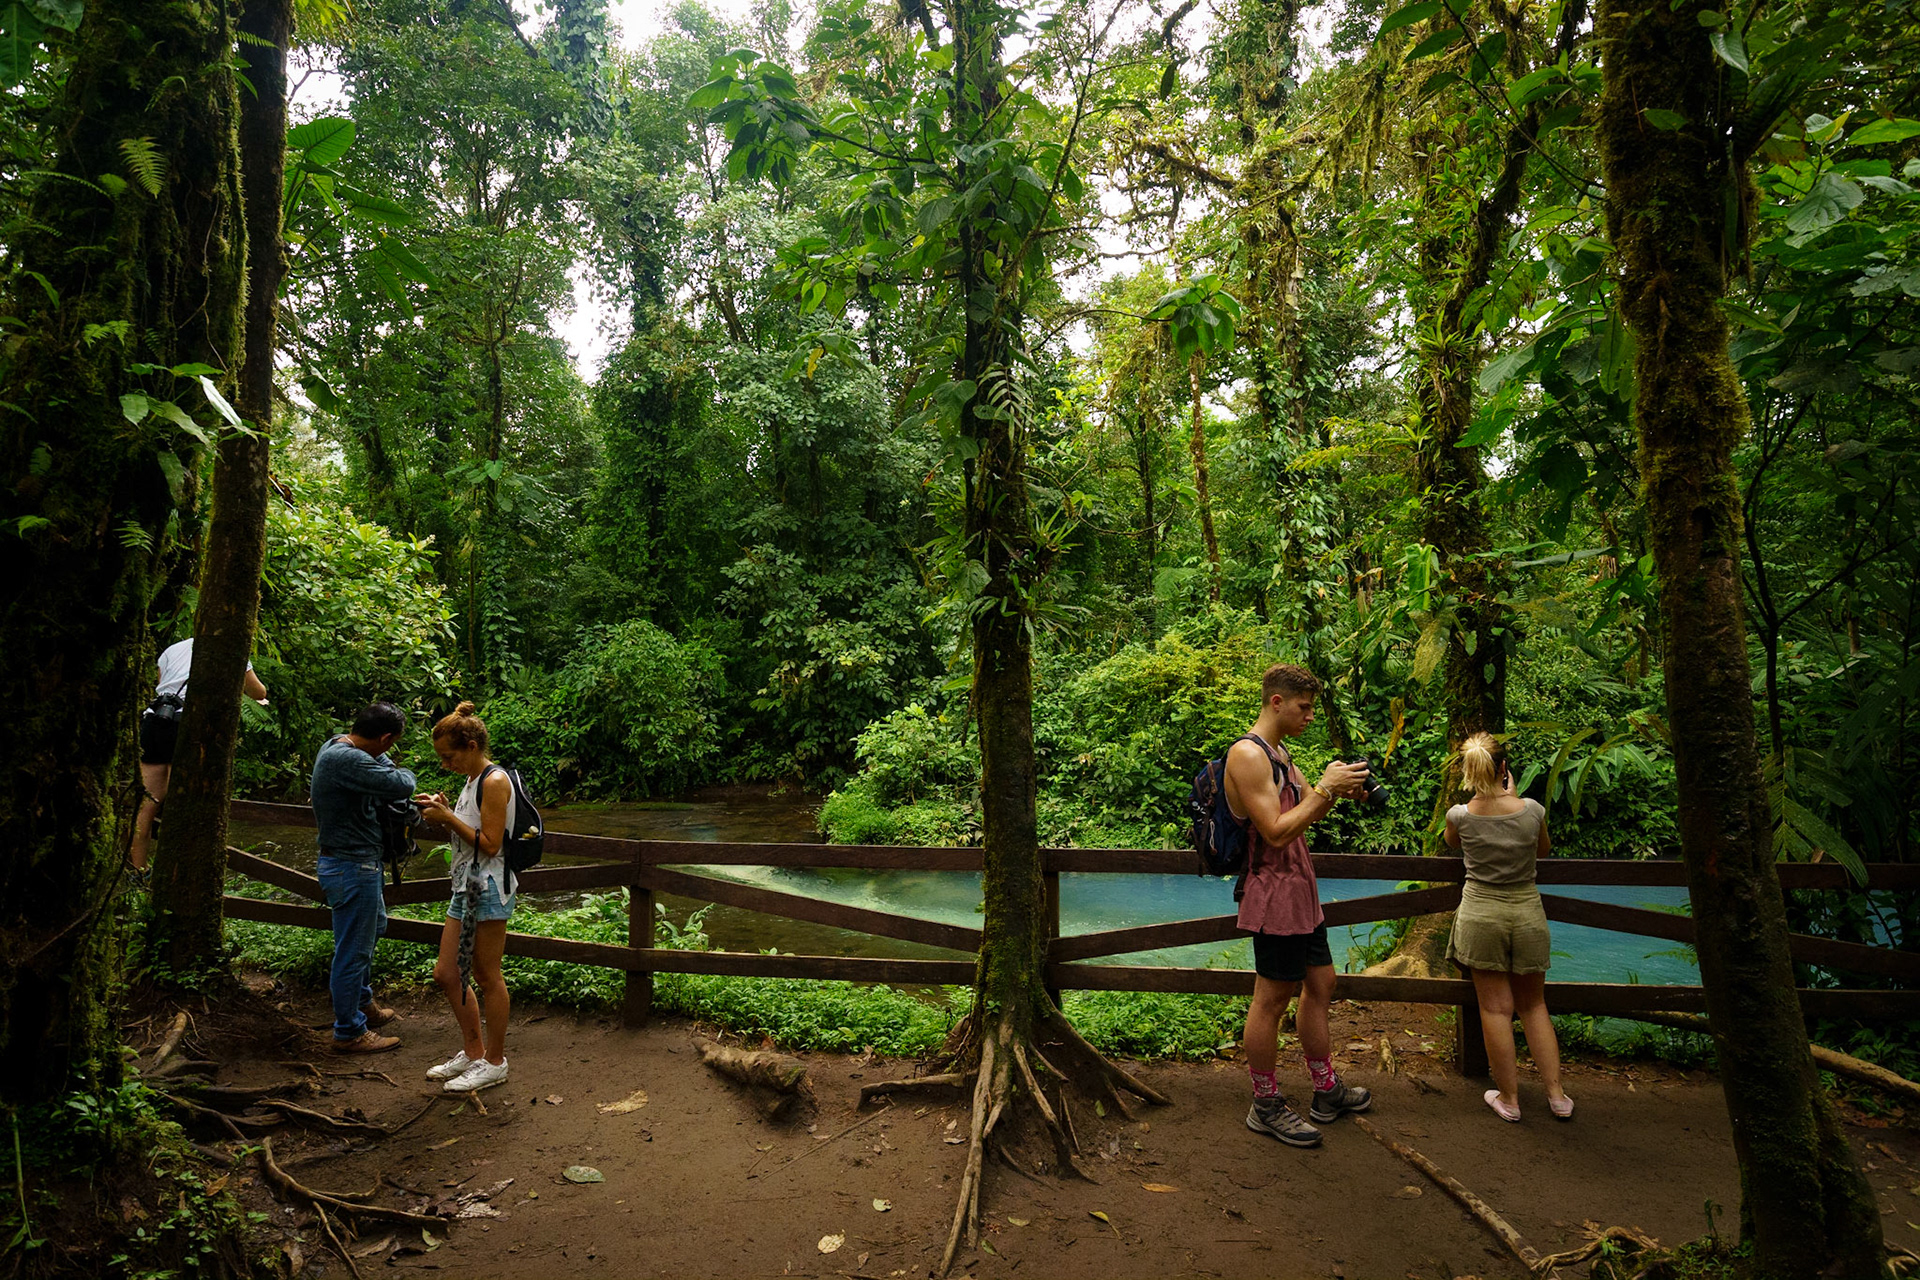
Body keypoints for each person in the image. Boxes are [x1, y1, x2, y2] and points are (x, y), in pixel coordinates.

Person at [1229, 663, 1373, 1148]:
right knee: (1271, 999)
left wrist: (1341, 790)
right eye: (1303, 707)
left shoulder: (1281, 752)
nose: (1309, 715)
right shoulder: (1247, 756)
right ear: (1276, 702)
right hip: (1273, 894)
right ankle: (1265, 1103)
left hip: (1301, 891)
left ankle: (1325, 1090)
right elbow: (1275, 830)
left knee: (1321, 982)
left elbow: (1307, 805)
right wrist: (1326, 790)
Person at [1445, 732, 1573, 1122]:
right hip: (1527, 914)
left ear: (1469, 772)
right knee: (1534, 1006)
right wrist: (1511, 796)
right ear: (1503, 769)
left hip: (1481, 916)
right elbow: (1542, 850)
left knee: (1496, 1010)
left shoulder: (1460, 815)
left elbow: (1453, 844)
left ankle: (1510, 1099)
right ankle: (1557, 1096)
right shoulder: (1533, 810)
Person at [415, 702, 515, 1094]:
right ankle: (474, 1052)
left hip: (486, 886)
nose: (445, 765)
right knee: (447, 972)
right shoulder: (472, 781)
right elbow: (469, 837)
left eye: (449, 757)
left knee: (489, 976)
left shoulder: (494, 781)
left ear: (471, 745)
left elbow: (491, 846)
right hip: (466, 885)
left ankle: (495, 1061)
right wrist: (444, 812)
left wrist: (448, 819)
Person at [311, 703, 414, 1054]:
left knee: (368, 936)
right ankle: (349, 1031)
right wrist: (397, 770)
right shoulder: (348, 760)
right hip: (352, 866)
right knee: (353, 950)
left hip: (352, 863)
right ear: (384, 738)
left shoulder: (336, 745)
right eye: (392, 744)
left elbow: (384, 773)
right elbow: (402, 783)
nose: (391, 752)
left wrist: (380, 762)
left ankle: (362, 1003)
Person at [133, 636, 269, 873]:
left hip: (155, 721)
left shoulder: (172, 649)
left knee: (146, 803)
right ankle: (177, 875)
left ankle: (138, 871)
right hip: (187, 725)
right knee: (183, 802)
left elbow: (163, 684)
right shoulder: (230, 645)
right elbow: (258, 692)